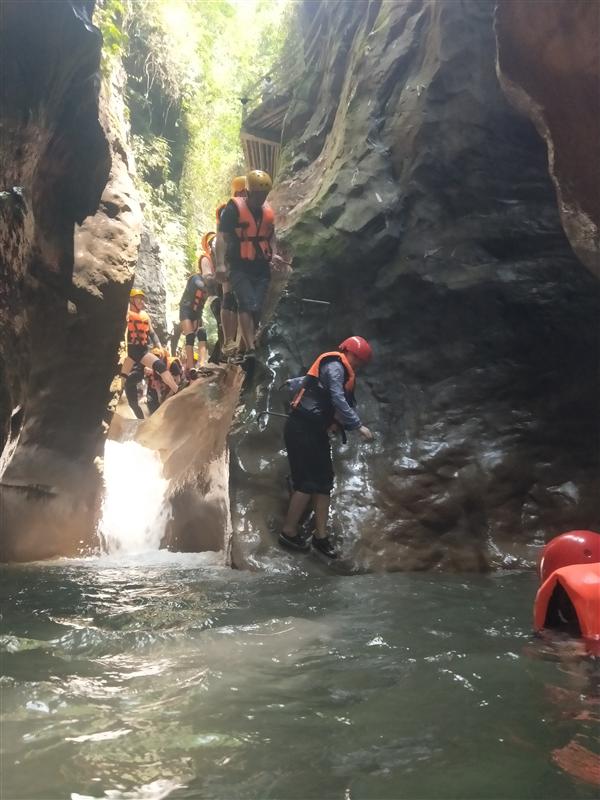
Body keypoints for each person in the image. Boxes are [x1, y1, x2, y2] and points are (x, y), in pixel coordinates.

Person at [279, 336, 375, 559]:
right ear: (347, 352)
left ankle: (320, 537)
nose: (358, 363)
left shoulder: (342, 370)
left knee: (324, 482)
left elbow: (328, 396)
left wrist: (334, 423)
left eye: (361, 361)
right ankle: (288, 532)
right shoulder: (335, 366)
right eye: (357, 358)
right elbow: (337, 397)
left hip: (315, 430)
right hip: (301, 427)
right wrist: (358, 426)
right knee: (306, 482)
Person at [216, 169, 285, 357]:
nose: (261, 198)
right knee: (246, 303)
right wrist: (220, 264)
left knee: (257, 306)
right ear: (248, 192)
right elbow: (222, 237)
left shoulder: (267, 211)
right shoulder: (233, 210)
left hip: (261, 265)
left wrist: (274, 255)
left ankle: (244, 348)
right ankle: (251, 349)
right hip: (239, 265)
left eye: (264, 194)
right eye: (257, 195)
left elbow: (270, 236)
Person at [120, 289, 179, 398]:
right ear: (131, 300)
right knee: (122, 378)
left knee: (161, 366)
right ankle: (115, 398)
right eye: (139, 299)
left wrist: (159, 346)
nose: (142, 302)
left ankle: (177, 390)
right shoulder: (126, 313)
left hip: (142, 351)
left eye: (143, 299)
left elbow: (151, 333)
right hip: (130, 351)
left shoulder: (145, 316)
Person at [215, 176, 247, 356]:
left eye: (245, 191)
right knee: (229, 297)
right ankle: (228, 340)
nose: (243, 195)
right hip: (230, 257)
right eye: (240, 192)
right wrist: (221, 263)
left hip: (246, 258)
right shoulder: (229, 210)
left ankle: (240, 343)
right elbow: (222, 237)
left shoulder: (253, 209)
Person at [178, 260, 215, 377]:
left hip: (197, 312)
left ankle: (202, 363)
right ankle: (191, 366)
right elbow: (200, 285)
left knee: (202, 333)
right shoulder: (195, 278)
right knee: (190, 336)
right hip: (186, 310)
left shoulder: (209, 285)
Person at [146, 348, 183, 414]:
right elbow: (156, 382)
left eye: (158, 356)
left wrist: (169, 394)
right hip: (166, 384)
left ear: (162, 357)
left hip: (177, 385)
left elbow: (178, 380)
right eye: (154, 356)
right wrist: (159, 396)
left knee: (171, 402)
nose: (156, 358)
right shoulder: (154, 365)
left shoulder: (172, 364)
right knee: (158, 402)